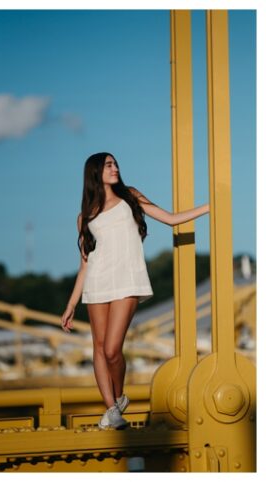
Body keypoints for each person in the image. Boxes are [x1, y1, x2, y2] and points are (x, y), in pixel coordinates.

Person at [60, 152, 208, 430]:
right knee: (100, 349)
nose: (115, 168)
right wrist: (71, 304)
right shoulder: (85, 216)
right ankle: (112, 410)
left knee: (113, 349)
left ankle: (118, 397)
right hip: (97, 283)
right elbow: (85, 265)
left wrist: (211, 206)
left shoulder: (130, 195)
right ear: (95, 173)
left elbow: (172, 218)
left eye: (115, 164)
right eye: (108, 165)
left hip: (128, 280)